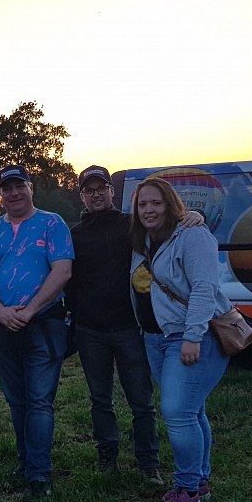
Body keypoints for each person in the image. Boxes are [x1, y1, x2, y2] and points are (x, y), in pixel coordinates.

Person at [66, 165, 204, 485]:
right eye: (89, 190)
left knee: (141, 400)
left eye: (102, 188)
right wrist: (72, 317)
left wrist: (195, 215)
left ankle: (148, 462)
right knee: (100, 399)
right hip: (90, 329)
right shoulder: (75, 234)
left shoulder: (133, 225)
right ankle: (107, 455)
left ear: (112, 191)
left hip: (130, 327)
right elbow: (68, 279)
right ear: (82, 196)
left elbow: (169, 225)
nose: (96, 195)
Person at [128, 177, 230, 502]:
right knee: (192, 411)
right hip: (155, 338)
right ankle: (200, 481)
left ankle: (186, 491)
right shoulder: (143, 240)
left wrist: (193, 336)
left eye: (156, 203)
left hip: (189, 337)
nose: (149, 210)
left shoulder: (192, 235)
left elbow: (203, 288)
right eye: (142, 204)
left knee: (177, 412)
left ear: (171, 204)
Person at [0, 165, 74, 499]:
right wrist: (0, 311)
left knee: (40, 401)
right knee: (17, 401)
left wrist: (29, 310)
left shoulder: (52, 223)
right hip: (3, 327)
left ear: (31, 188)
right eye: (7, 188)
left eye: (20, 186)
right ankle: (26, 461)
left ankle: (39, 473)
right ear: (0, 193)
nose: (14, 193)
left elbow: (62, 270)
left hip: (44, 323)